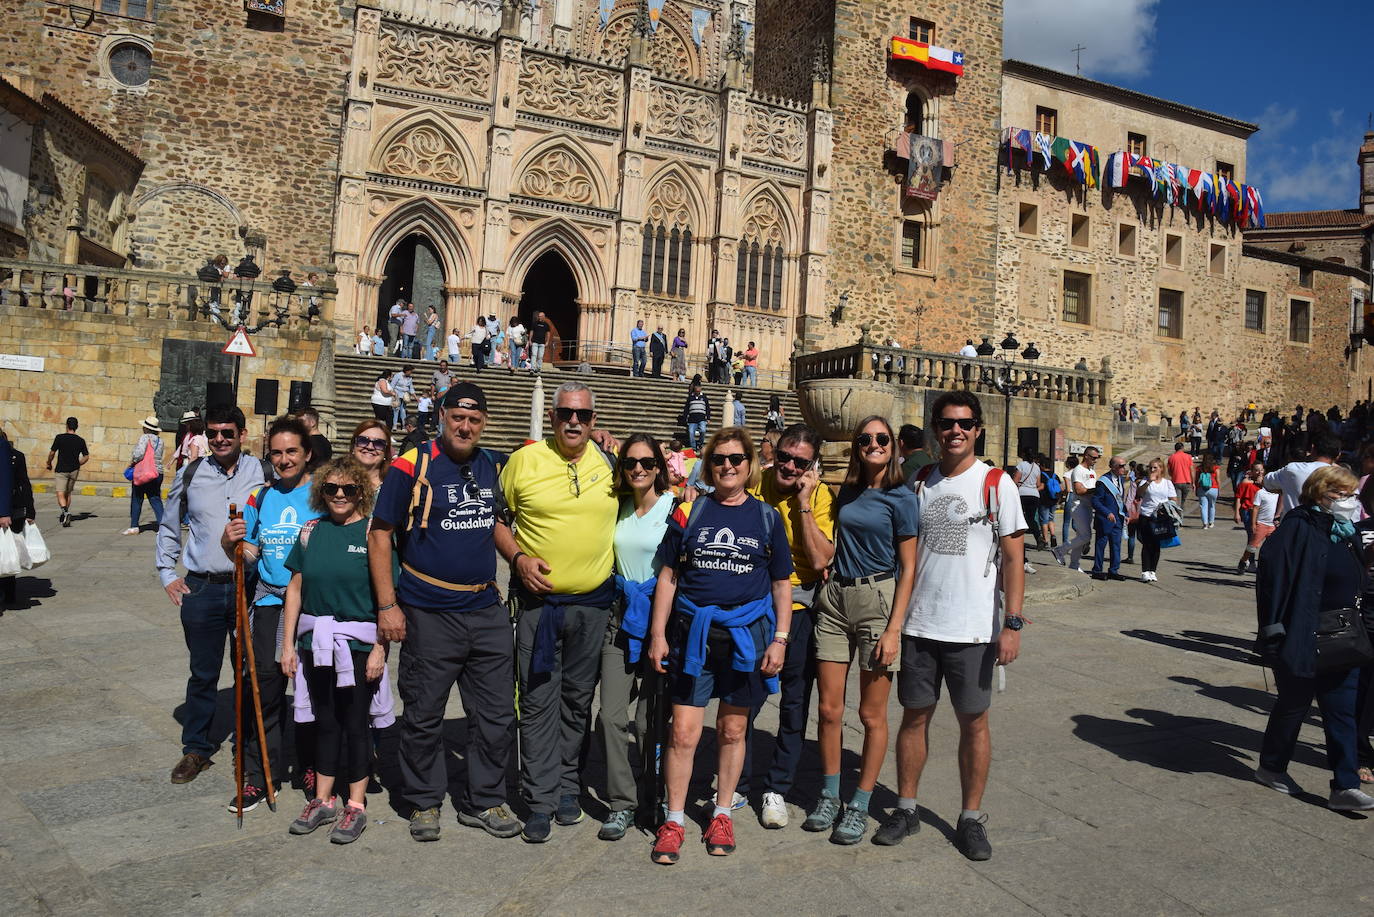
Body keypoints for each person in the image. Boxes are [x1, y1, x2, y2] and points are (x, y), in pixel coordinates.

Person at [875, 390, 1026, 860]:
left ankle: (970, 817)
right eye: (946, 423)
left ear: (978, 429)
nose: (955, 431)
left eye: (964, 423)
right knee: (914, 717)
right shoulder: (920, 481)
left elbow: (1014, 558)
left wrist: (1013, 623)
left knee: (974, 723)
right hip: (921, 623)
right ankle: (905, 807)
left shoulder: (996, 483)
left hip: (974, 629)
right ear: (936, 429)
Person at [372, 382, 523, 842]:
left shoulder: (490, 463)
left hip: (484, 606)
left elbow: (493, 520)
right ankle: (423, 802)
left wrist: (518, 557)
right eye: (458, 416)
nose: (465, 425)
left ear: (484, 423)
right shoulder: (411, 465)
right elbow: (381, 535)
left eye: (474, 420)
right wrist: (387, 606)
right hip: (429, 611)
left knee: (496, 714)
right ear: (442, 415)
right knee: (423, 713)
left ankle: (486, 799)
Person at [647, 428, 793, 865]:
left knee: (732, 730)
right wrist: (657, 634)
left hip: (746, 636)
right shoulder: (690, 511)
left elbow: (781, 584)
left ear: (750, 465)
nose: (727, 466)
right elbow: (668, 576)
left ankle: (723, 811)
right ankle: (673, 819)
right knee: (684, 732)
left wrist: (781, 639)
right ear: (708, 465)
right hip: (693, 634)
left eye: (736, 458)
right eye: (719, 459)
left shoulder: (767, 518)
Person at [503, 381, 620, 843]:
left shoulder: (610, 463)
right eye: (565, 414)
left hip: (593, 608)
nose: (574, 421)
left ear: (594, 421)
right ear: (552, 417)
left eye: (583, 415)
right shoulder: (523, 461)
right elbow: (495, 518)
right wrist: (517, 559)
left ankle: (568, 787)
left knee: (576, 701)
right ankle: (538, 797)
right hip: (539, 607)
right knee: (535, 703)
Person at [806, 417, 915, 844]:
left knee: (871, 714)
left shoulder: (902, 497)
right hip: (836, 599)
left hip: (877, 602)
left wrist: (894, 629)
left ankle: (860, 804)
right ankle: (830, 794)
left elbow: (909, 569)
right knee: (829, 709)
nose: (873, 444)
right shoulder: (847, 491)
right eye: (866, 439)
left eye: (881, 439)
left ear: (893, 446)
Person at [281, 456, 395, 843]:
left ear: (362, 492)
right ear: (321, 492)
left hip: (359, 645)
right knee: (325, 720)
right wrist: (288, 645)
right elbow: (295, 589)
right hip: (316, 643)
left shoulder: (372, 534)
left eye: (350, 488)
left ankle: (356, 805)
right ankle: (323, 799)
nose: (340, 495)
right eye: (332, 488)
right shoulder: (310, 531)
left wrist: (381, 649)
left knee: (355, 722)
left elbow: (386, 597)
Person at [156, 404, 271, 785]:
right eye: (214, 432)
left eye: (228, 432)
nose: (220, 439)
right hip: (203, 586)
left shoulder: (263, 473)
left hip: (249, 586)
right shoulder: (191, 473)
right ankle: (196, 749)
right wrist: (167, 573)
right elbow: (169, 523)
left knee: (249, 670)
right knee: (203, 673)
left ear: (242, 433)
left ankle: (248, 744)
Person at [1255, 465, 1374, 811]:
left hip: (1344, 632)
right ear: (1320, 493)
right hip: (1302, 633)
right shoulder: (1297, 527)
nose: (1349, 501)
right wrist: (1273, 630)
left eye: (1352, 494)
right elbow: (1272, 581)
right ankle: (1271, 767)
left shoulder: (1346, 529)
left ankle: (1345, 786)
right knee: (1294, 704)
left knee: (1342, 712)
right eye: (1341, 494)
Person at [219, 416, 320, 814]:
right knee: (264, 686)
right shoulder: (260, 497)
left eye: (291, 451)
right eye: (276, 453)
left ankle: (314, 767)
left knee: (316, 690)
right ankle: (260, 776)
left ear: (307, 453)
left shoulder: (323, 493)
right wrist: (231, 544)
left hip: (314, 604)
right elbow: (247, 553)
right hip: (268, 603)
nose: (283, 459)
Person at [750, 423, 835, 830]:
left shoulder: (819, 496)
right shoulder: (755, 480)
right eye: (784, 456)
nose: (789, 465)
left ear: (811, 465)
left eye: (800, 462)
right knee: (742, 698)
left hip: (800, 609)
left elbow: (821, 561)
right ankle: (737, 777)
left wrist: (802, 502)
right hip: (752, 606)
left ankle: (777, 787)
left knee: (794, 701)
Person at [597, 434, 674, 841]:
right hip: (621, 617)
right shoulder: (618, 505)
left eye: (646, 462)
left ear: (659, 466)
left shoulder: (676, 507)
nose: (639, 469)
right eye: (630, 463)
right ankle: (621, 803)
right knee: (610, 716)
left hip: (660, 621)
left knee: (649, 723)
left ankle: (653, 796)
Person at [0, 428, 35, 610]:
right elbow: (25, 484)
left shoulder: (14, 456)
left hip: (10, 511)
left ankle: (9, 591)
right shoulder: (17, 456)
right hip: (13, 510)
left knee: (8, 550)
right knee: (7, 551)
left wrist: (29, 511)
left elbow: (22, 483)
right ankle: (10, 593)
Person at [1265, 433, 1340, 514]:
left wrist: (1286, 488)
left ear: (1312, 449)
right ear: (1338, 456)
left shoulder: (1293, 469)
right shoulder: (1344, 477)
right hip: (1327, 524)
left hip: (1294, 523)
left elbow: (1267, 482)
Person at [1051, 447, 1099, 572]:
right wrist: (1095, 490)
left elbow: (1088, 488)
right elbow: (1078, 490)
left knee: (1081, 536)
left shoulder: (1092, 471)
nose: (1095, 460)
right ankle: (1060, 550)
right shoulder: (1078, 470)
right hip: (1079, 506)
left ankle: (1074, 564)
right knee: (1086, 537)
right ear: (1086, 456)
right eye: (1093, 457)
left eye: (1097, 458)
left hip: (1088, 506)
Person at [1134, 457, 1178, 583]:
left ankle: (1153, 570)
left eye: (1155, 468)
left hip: (1160, 517)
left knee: (1156, 545)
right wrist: (1148, 482)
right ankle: (1145, 571)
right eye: (1150, 467)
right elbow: (1139, 494)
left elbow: (1173, 499)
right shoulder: (1145, 481)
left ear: (1161, 469)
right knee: (1147, 543)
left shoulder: (1167, 483)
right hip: (1146, 516)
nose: (1152, 470)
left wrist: (1166, 507)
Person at [1090, 456, 1130, 581]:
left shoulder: (1120, 480)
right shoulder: (1103, 482)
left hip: (1118, 518)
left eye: (1124, 465)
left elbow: (1120, 500)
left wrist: (1126, 514)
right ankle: (1097, 570)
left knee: (1116, 546)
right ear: (1113, 467)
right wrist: (1107, 513)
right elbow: (1095, 501)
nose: (1124, 468)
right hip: (1105, 519)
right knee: (1101, 546)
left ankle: (1114, 570)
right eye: (1121, 466)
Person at [125, 415, 165, 535]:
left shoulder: (144, 438)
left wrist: (131, 463)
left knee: (137, 498)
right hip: (157, 473)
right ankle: (163, 526)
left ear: (146, 428)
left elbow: (139, 454)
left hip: (143, 472)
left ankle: (134, 526)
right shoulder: (160, 441)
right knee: (155, 499)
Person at [47, 416, 88, 527]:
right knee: (68, 493)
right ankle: (65, 514)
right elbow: (86, 456)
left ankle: (65, 512)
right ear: (76, 427)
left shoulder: (59, 438)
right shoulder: (80, 440)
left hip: (61, 470)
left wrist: (49, 463)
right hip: (74, 470)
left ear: (67, 426)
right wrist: (78, 463)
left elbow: (52, 453)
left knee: (60, 493)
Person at [348, 419, 392, 491]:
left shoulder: (394, 485)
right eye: (363, 440)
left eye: (379, 443)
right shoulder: (335, 480)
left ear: (386, 451)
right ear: (353, 446)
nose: (370, 447)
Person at [1013, 449, 1044, 550]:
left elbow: (1016, 480)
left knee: (1019, 517)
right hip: (1034, 494)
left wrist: (1018, 484)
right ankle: (1038, 537)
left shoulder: (1021, 465)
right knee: (1031, 519)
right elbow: (1038, 484)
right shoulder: (1036, 467)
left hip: (1022, 494)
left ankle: (1017, 540)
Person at [681, 376, 711, 452]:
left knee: (703, 431)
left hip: (701, 418)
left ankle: (700, 444)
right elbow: (686, 408)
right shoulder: (690, 397)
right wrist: (685, 418)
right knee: (691, 433)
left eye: (698, 391)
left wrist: (708, 418)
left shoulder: (704, 397)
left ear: (700, 389)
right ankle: (693, 447)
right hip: (692, 419)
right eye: (696, 391)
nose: (697, 392)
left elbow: (707, 408)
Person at [1166, 443, 1194, 516]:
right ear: (1182, 448)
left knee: (1177, 501)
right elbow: (1191, 470)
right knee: (1183, 501)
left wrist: (1173, 475)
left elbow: (1169, 471)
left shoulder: (1171, 457)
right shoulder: (1188, 457)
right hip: (1187, 481)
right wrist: (1193, 482)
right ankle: (1181, 514)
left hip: (1176, 481)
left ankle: (1179, 516)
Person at [1197, 455, 1221, 529]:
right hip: (1213, 488)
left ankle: (1205, 524)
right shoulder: (1216, 468)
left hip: (1202, 488)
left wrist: (1196, 488)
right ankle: (1211, 522)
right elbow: (1218, 480)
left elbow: (1197, 480)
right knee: (1212, 505)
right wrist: (1219, 489)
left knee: (1203, 506)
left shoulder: (1199, 468)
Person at [390, 365, 415, 429]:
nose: (410, 373)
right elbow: (392, 385)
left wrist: (415, 396)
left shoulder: (410, 378)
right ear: (407, 371)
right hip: (397, 394)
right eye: (410, 371)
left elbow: (411, 387)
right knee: (396, 409)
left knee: (403, 410)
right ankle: (394, 425)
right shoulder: (398, 375)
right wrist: (393, 394)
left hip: (405, 395)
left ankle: (404, 426)